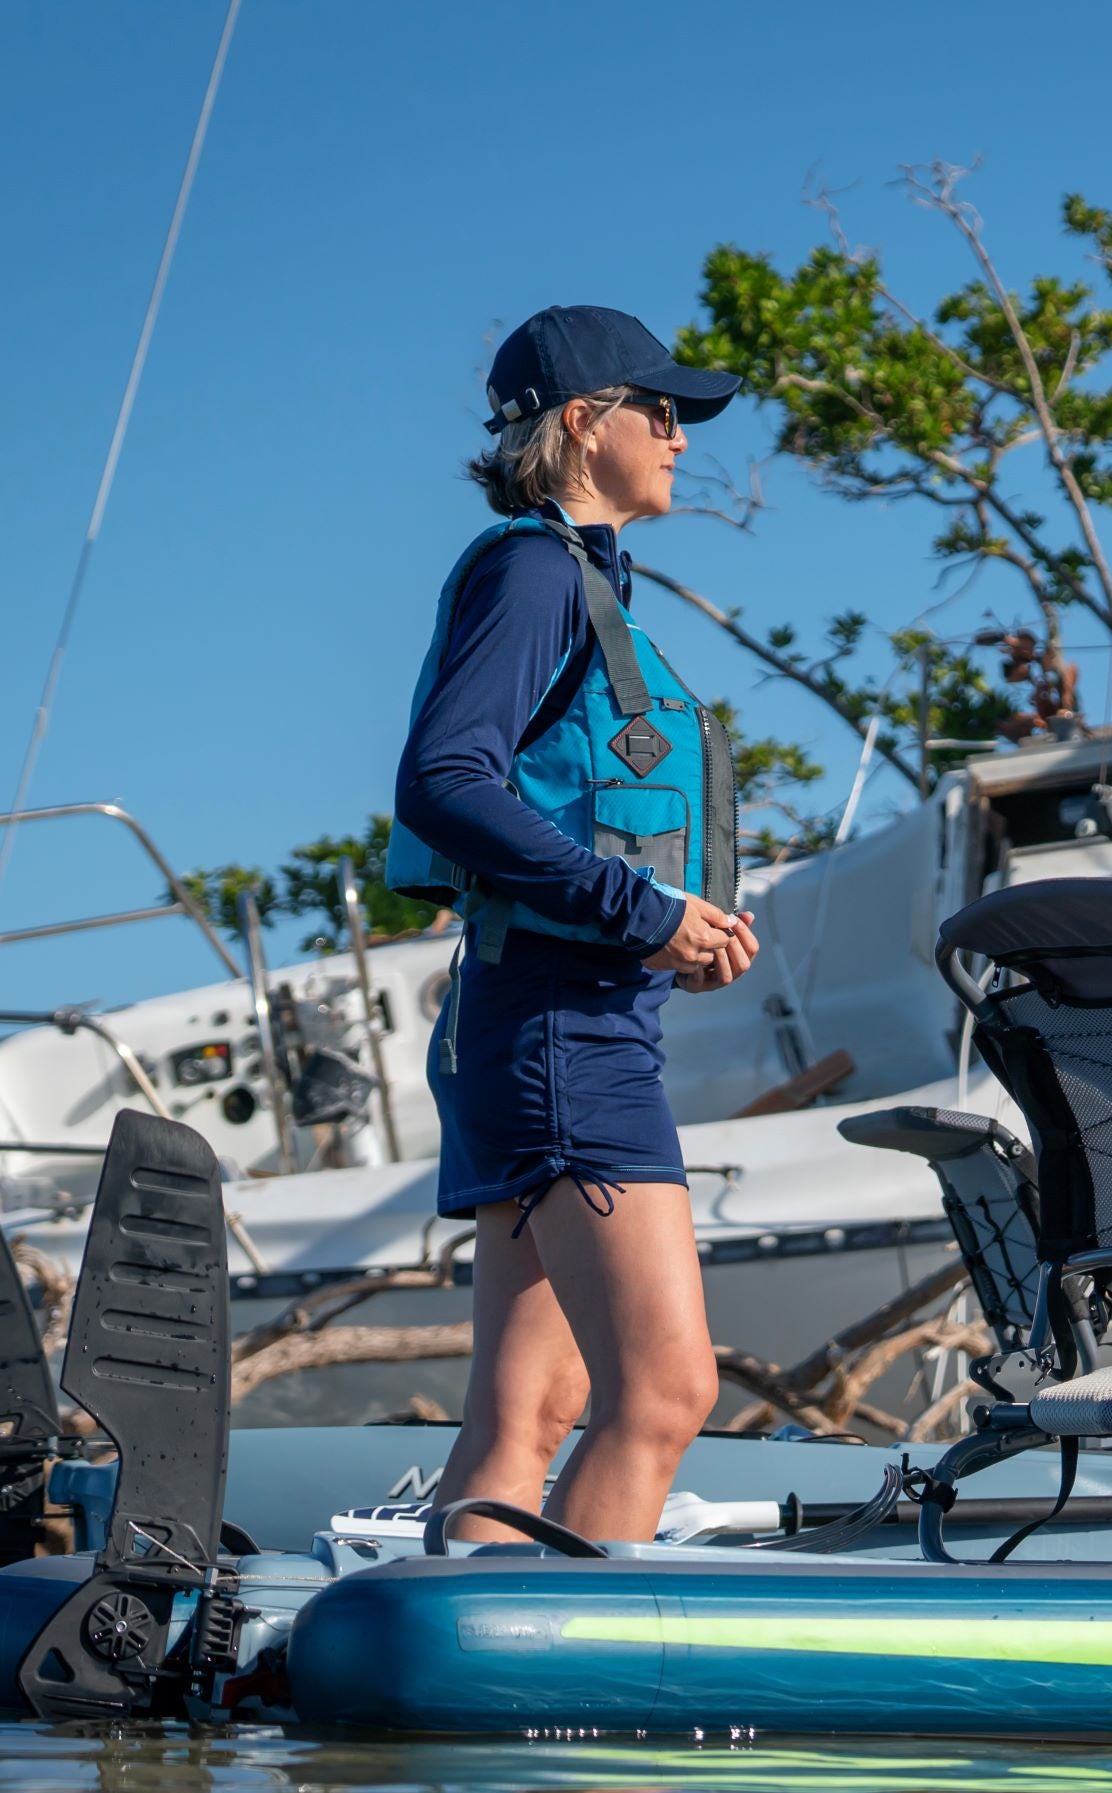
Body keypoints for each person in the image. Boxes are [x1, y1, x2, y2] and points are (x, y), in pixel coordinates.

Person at [392, 305, 760, 1543]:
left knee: (532, 1407)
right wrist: (639, 910)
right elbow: (446, 779)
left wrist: (672, 927)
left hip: (539, 1014)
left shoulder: (575, 579)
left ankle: (440, 1672)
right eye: (657, 411)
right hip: (561, 1030)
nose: (678, 437)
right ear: (583, 422)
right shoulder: (539, 570)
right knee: (664, 1390)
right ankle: (558, 1684)